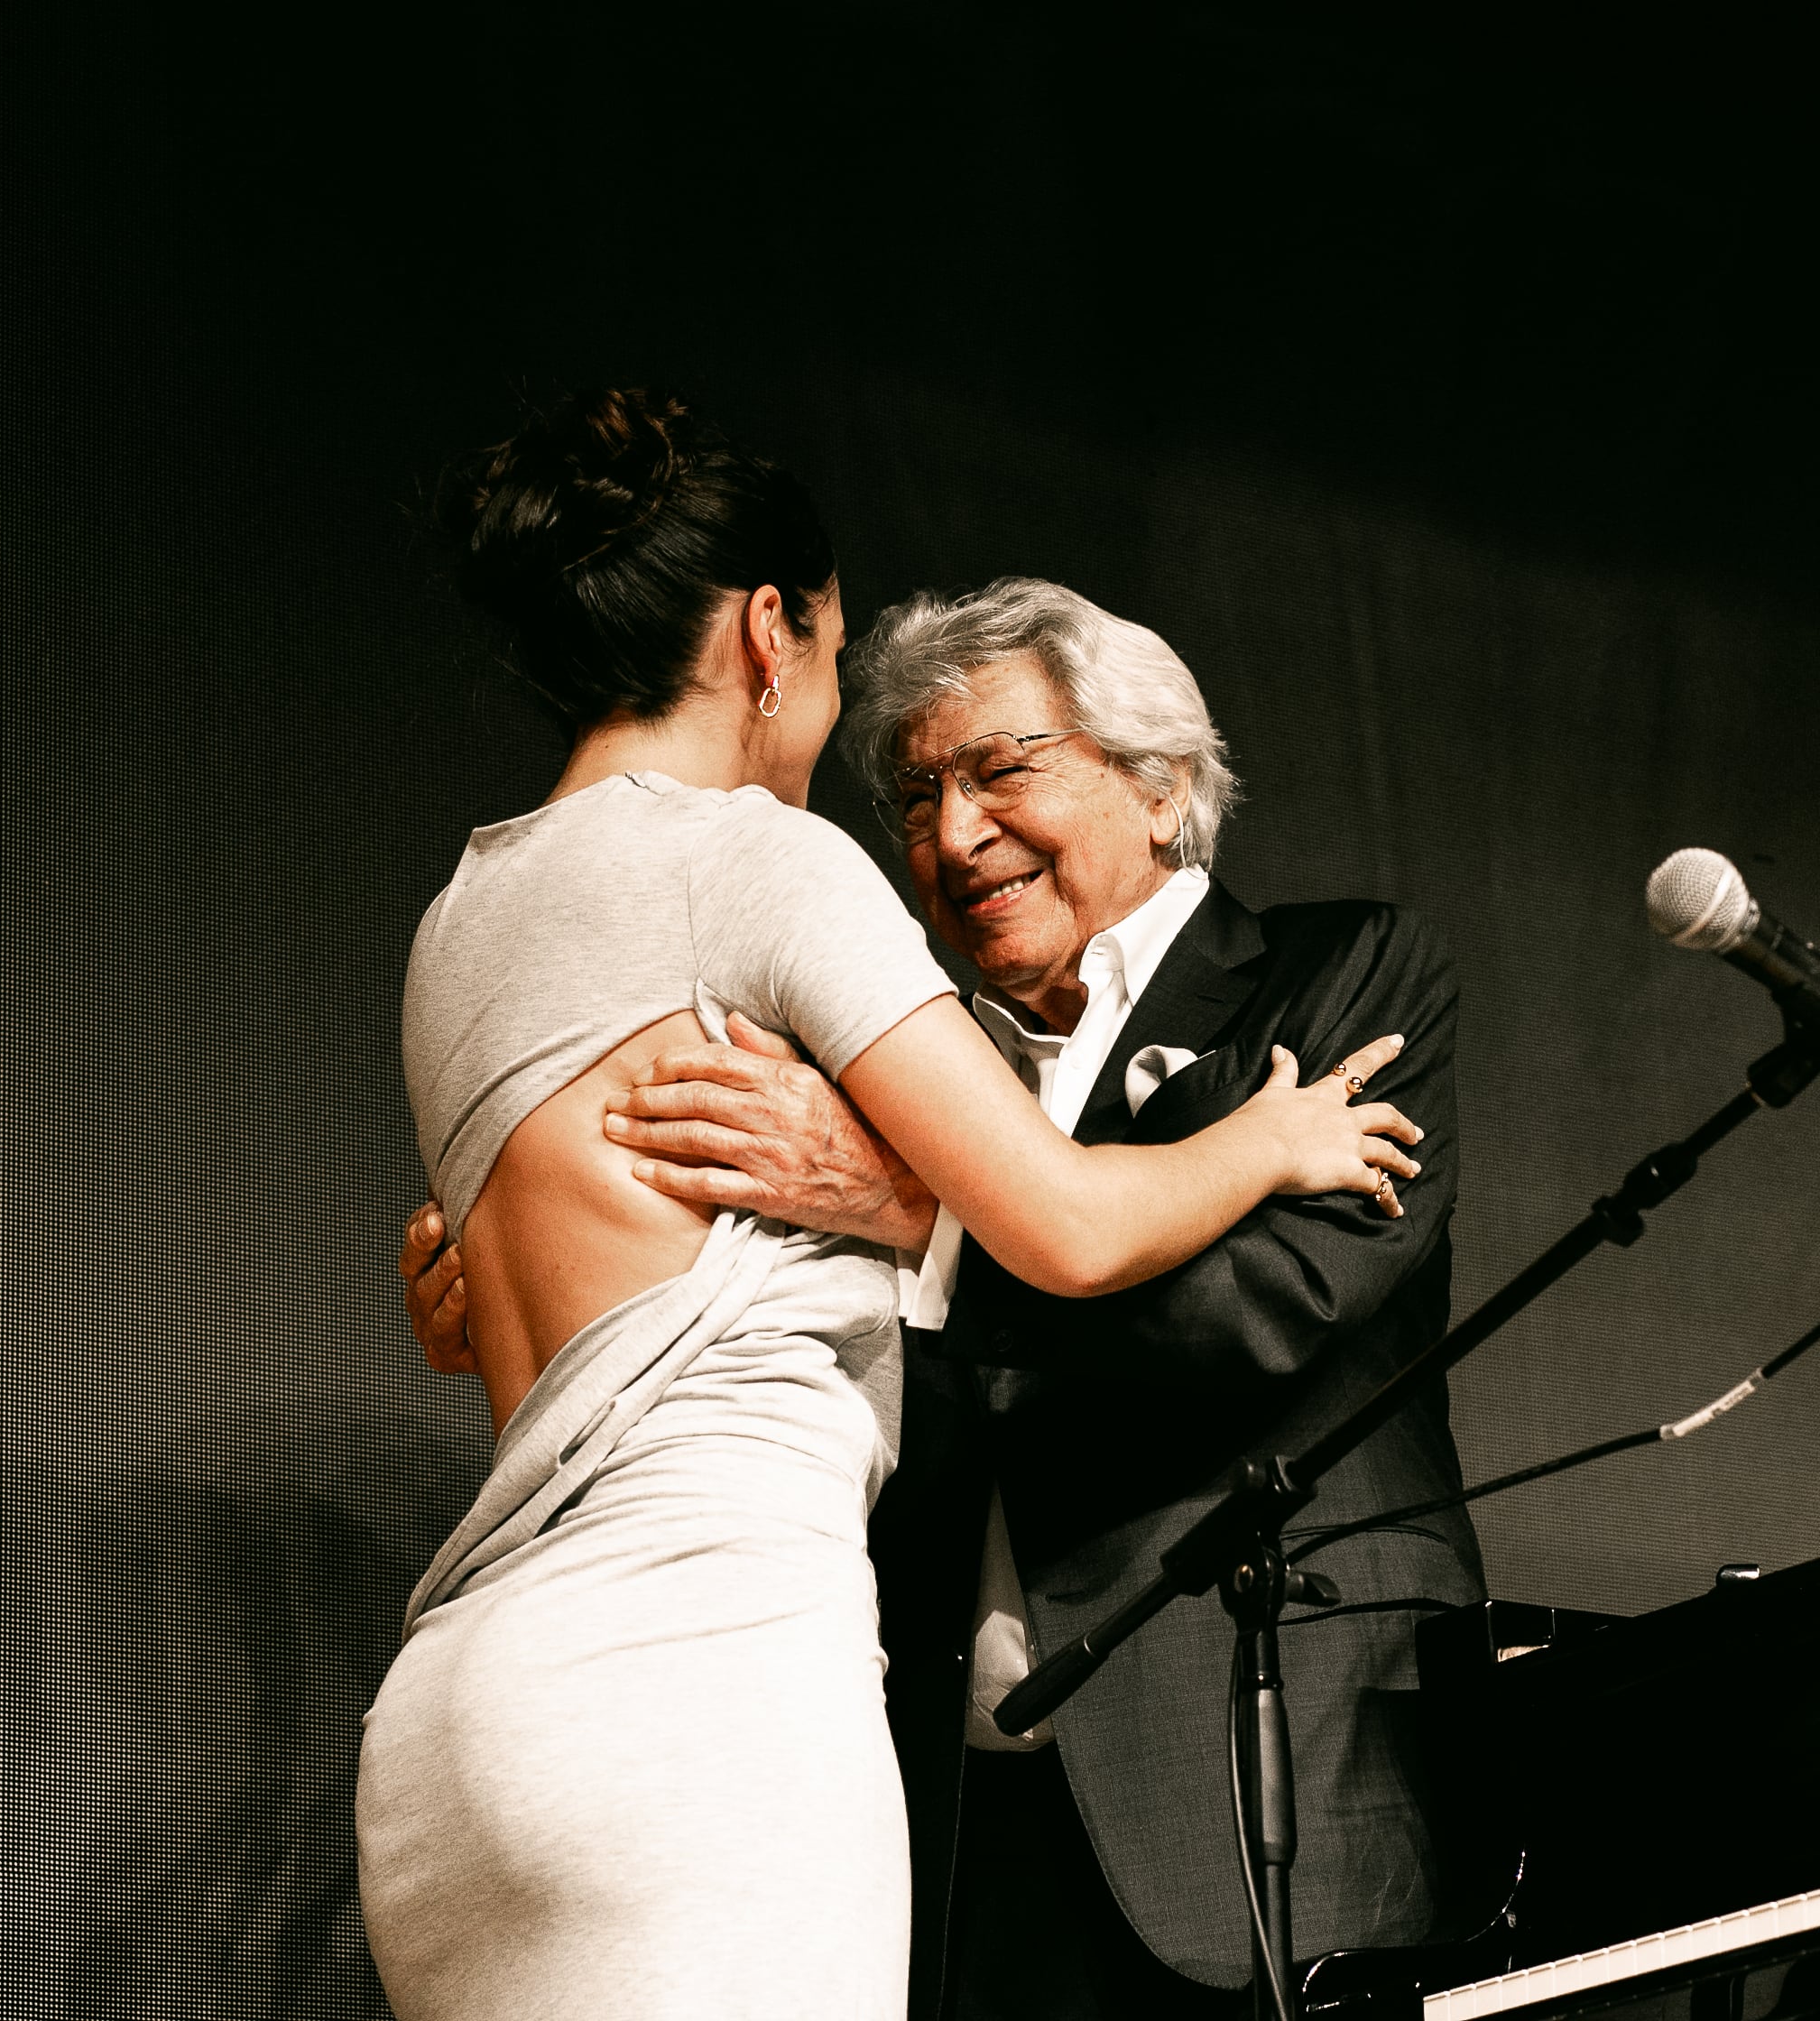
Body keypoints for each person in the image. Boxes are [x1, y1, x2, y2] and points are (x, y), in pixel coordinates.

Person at [357, 393, 1422, 2021]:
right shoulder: (756, 861)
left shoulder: (460, 917)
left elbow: (504, 1302)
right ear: (770, 633)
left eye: (1002, 770)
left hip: (463, 1717)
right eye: (865, 700)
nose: (931, 824)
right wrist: (1267, 1141)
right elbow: (1064, 1224)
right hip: (699, 1680)